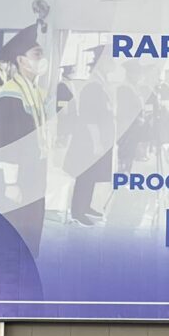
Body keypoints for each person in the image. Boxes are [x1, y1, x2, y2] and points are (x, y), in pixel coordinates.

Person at [0, 23, 50, 258]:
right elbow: (6, 141)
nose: (42, 59)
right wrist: (11, 183)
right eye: (37, 54)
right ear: (22, 60)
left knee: (31, 224)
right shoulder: (11, 95)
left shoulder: (34, 91)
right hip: (15, 175)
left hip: (33, 169)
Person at [65, 46, 114, 226]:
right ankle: (77, 211)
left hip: (98, 139)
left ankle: (86, 206)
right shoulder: (92, 86)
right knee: (85, 174)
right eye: (110, 60)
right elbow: (90, 117)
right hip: (89, 141)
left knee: (92, 174)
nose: (113, 64)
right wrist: (97, 142)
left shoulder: (101, 84)